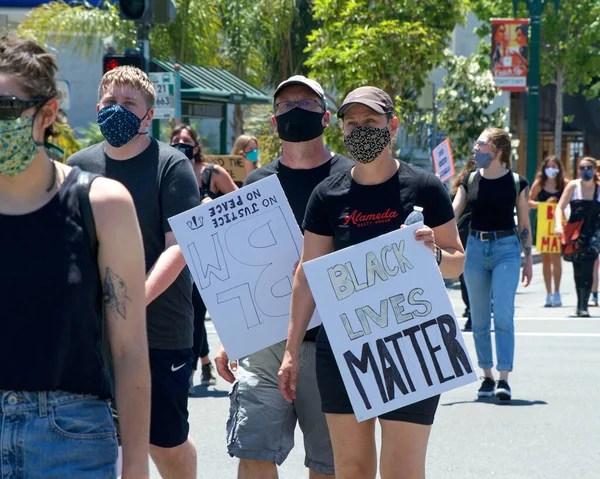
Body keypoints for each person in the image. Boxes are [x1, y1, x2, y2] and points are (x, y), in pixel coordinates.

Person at [277, 86, 465, 479]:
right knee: (352, 470)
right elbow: (308, 274)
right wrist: (291, 350)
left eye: (372, 122)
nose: (361, 129)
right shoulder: (327, 195)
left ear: (392, 126)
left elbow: (456, 263)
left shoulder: (426, 187)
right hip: (344, 348)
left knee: (402, 471)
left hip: (413, 344)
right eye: (353, 123)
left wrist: (432, 254)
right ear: (341, 130)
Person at [0, 37, 150, 478]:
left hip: (71, 442)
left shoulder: (103, 204)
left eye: (4, 108)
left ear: (47, 114)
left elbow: (129, 352)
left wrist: (136, 466)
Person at [215, 75, 352, 479]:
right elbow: (240, 268)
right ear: (274, 122)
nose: (295, 111)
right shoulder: (257, 183)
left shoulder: (350, 178)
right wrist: (230, 335)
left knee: (328, 465)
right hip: (265, 342)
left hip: (331, 340)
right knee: (253, 448)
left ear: (326, 118)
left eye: (307, 104)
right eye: (286, 105)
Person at [68, 66, 200, 478]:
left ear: (148, 115)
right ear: (97, 107)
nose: (118, 110)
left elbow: (178, 249)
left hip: (160, 331)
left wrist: (129, 305)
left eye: (129, 104)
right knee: (101, 440)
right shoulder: (77, 166)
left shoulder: (170, 165)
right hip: (93, 336)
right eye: (111, 103)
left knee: (165, 442)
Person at [453, 127, 533, 401]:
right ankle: (486, 375)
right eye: (476, 145)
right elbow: (452, 215)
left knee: (503, 314)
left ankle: (503, 378)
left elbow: (524, 224)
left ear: (497, 151)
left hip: (506, 249)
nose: (476, 150)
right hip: (474, 248)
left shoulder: (516, 182)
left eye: (481, 145)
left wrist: (529, 260)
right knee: (478, 317)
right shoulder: (469, 180)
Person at [170, 124, 238, 389]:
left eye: (186, 140)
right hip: (179, 256)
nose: (181, 144)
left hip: (211, 256)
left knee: (197, 312)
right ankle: (204, 362)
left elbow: (240, 204)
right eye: (176, 140)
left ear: (196, 146)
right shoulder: (169, 173)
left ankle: (189, 368)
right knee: (186, 311)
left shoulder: (212, 173)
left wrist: (213, 207)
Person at [555, 157, 600, 317]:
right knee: (578, 267)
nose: (585, 170)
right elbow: (560, 206)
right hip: (574, 232)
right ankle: (580, 302)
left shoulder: (598, 188)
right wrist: (558, 225)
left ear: (594, 170)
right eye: (582, 168)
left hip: (593, 233)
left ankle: (583, 305)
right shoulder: (573, 186)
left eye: (588, 167)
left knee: (589, 265)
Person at [529, 155, 567, 307]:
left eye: (555, 166)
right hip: (544, 224)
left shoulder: (565, 184)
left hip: (558, 225)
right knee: (546, 260)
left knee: (556, 258)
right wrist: (543, 204)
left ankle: (557, 292)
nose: (552, 169)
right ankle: (548, 293)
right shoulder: (540, 183)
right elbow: (529, 202)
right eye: (549, 166)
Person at [452, 155, 477, 331]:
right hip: (464, 233)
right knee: (465, 276)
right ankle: (470, 309)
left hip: (482, 233)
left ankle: (478, 310)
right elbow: (452, 209)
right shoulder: (463, 184)